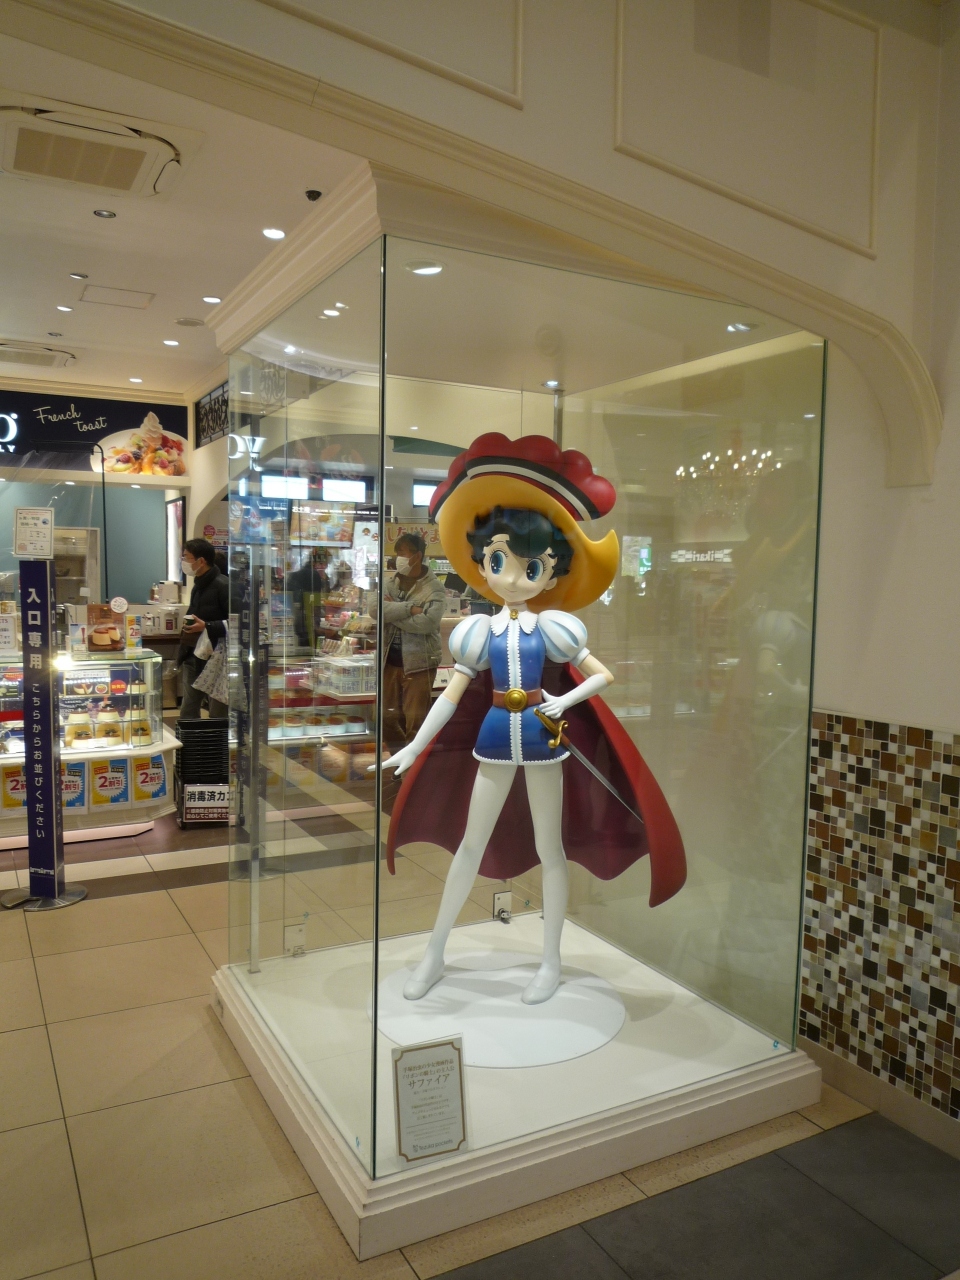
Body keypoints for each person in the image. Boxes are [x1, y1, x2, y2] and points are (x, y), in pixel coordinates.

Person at [380, 434, 687, 1006]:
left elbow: (601, 675)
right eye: (499, 562)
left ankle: (550, 961)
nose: (514, 578)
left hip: (546, 743)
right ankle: (434, 954)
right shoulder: (478, 631)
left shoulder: (555, 628)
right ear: (483, 563)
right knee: (469, 845)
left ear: (551, 572)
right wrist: (416, 745)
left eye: (532, 566)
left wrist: (564, 702)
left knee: (552, 849)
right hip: (495, 740)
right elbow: (452, 696)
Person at [381, 532, 445, 750]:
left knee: (416, 723)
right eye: (397, 553)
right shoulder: (391, 582)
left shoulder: (434, 588)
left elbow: (427, 623)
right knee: (385, 717)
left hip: (419, 664)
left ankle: (413, 769)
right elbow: (375, 609)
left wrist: (392, 612)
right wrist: (409, 609)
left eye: (403, 553)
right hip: (389, 662)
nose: (398, 558)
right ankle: (399, 759)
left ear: (417, 556)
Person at [178, 537, 230, 719]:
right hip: (193, 653)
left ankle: (216, 739)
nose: (183, 561)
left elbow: (238, 622)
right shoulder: (198, 585)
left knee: (217, 710)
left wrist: (207, 626)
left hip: (217, 657)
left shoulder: (224, 585)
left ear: (201, 561)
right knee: (188, 708)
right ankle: (190, 738)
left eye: (186, 557)